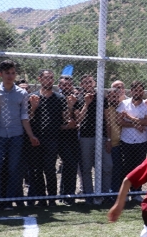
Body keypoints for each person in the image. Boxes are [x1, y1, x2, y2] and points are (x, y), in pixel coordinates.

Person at [0, 60, 39, 209]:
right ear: (0, 74)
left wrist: (31, 135)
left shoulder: (22, 93)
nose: (10, 76)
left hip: (17, 135)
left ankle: (8, 202)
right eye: (7, 73)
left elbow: (24, 115)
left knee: (13, 169)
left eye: (13, 73)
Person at [27, 70, 63, 206]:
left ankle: (52, 198)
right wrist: (34, 108)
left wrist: (70, 107)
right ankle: (41, 199)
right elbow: (27, 119)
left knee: (49, 169)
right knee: (37, 170)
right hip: (36, 139)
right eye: (46, 77)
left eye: (51, 78)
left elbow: (65, 118)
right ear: (40, 79)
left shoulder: (59, 98)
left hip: (52, 139)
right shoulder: (32, 97)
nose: (49, 80)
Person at [75, 74, 112, 200]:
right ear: (81, 85)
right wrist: (86, 104)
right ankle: (89, 196)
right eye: (85, 82)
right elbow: (78, 119)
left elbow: (107, 120)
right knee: (86, 167)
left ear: (94, 83)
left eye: (90, 82)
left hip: (101, 136)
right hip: (86, 136)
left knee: (107, 166)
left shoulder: (102, 98)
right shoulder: (78, 99)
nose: (88, 84)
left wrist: (108, 139)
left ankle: (105, 194)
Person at [117, 81, 147, 200]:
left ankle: (136, 192)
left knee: (139, 167)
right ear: (131, 91)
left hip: (141, 141)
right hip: (126, 140)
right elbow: (120, 121)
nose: (138, 92)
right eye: (136, 90)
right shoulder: (124, 104)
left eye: (140, 90)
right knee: (126, 167)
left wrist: (129, 118)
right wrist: (136, 124)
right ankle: (125, 193)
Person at [57, 75, 79, 203]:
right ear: (59, 86)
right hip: (60, 137)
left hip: (73, 136)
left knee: (71, 165)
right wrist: (66, 125)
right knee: (69, 163)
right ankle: (64, 193)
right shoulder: (57, 98)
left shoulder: (75, 98)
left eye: (69, 84)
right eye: (64, 84)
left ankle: (67, 193)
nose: (67, 87)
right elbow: (61, 119)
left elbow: (77, 117)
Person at [106, 80, 126, 194]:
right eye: (112, 95)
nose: (114, 97)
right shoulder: (104, 108)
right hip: (108, 143)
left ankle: (116, 192)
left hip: (120, 143)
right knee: (108, 169)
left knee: (118, 170)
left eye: (120, 88)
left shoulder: (124, 105)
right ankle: (107, 192)